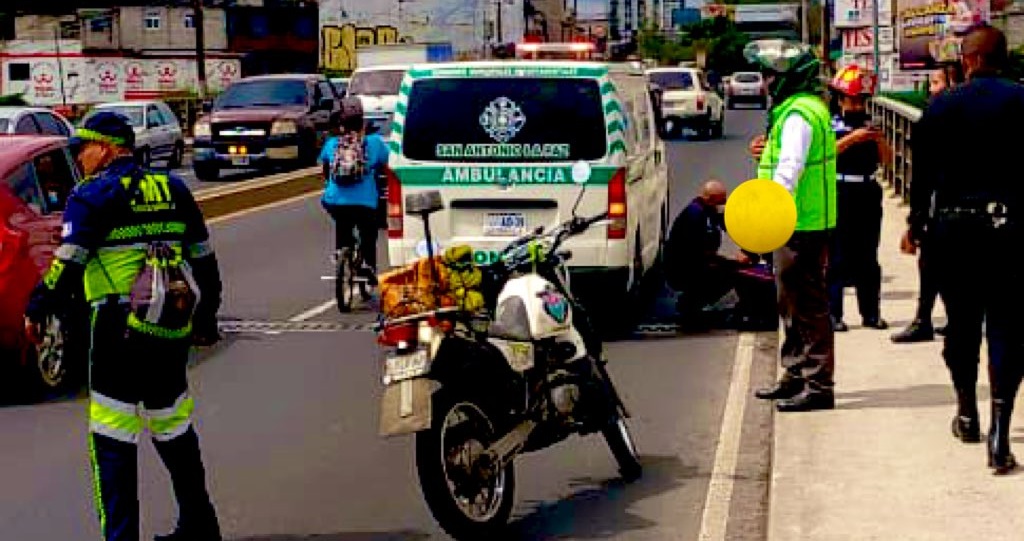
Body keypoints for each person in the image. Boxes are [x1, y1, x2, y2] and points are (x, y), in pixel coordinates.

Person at [23, 111, 223, 540]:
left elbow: (68, 264)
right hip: (169, 327)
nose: (79, 157)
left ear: (109, 148)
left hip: (117, 327)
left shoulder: (93, 194)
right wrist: (206, 318)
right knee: (175, 428)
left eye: (84, 148)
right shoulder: (173, 187)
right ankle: (201, 527)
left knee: (113, 441)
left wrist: (39, 308)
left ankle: (121, 536)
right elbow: (204, 258)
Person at [907, 24, 1024, 473]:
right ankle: (1000, 432)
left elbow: (920, 177)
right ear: (1004, 58)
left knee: (961, 326)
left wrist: (916, 225)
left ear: (968, 60)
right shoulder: (1022, 102)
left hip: (953, 231)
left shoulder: (941, 107)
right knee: (1006, 329)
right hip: (1010, 229)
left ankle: (966, 412)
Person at [745, 39, 839, 412]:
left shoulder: (799, 114)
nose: (765, 82)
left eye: (770, 75)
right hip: (796, 221)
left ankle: (818, 385)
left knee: (807, 305)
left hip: (798, 223)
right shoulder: (798, 110)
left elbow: (790, 169)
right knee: (789, 301)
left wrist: (768, 212)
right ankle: (796, 373)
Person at [892, 63, 964, 343]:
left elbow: (922, 175)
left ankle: (927, 319)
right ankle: (944, 318)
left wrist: (915, 221)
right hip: (967, 206)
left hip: (945, 206)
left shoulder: (935, 118)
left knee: (937, 262)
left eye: (936, 83)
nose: (931, 90)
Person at [826, 64, 893, 332]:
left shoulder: (871, 124)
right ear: (840, 99)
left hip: (867, 191)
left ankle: (871, 313)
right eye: (851, 100)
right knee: (837, 256)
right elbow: (825, 155)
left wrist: (878, 140)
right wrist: (851, 139)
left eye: (860, 100)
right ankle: (834, 314)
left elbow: (887, 161)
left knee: (868, 255)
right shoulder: (831, 124)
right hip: (841, 190)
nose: (856, 105)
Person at [665, 180, 776, 329]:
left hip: (698, 262)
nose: (724, 204)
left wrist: (750, 248)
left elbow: (733, 226)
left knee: (734, 268)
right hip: (685, 267)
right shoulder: (694, 217)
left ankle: (691, 303)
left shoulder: (709, 212)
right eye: (722, 200)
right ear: (711, 199)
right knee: (732, 274)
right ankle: (690, 305)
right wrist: (731, 262)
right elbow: (699, 255)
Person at [319, 96, 390, 284]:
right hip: (365, 201)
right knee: (369, 231)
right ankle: (367, 263)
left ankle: (341, 250)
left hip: (334, 200)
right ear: (362, 122)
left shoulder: (332, 144)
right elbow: (388, 164)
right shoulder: (374, 142)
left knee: (343, 223)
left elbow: (325, 171)